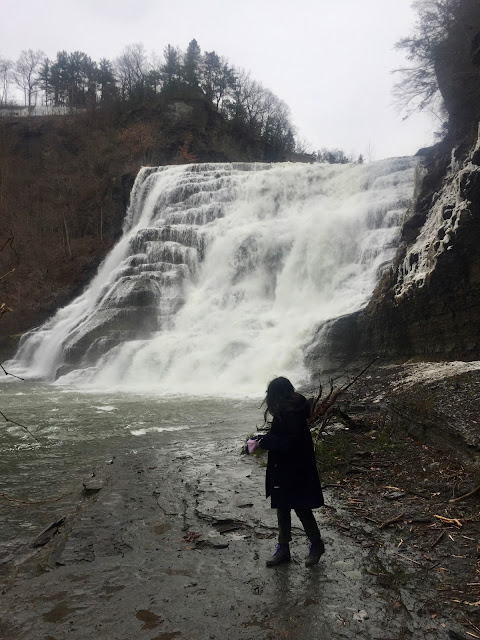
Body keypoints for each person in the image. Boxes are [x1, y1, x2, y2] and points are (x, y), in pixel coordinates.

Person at [250, 376, 325, 567]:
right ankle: (283, 549)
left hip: (294, 470)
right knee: (283, 508)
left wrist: (265, 442)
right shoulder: (290, 411)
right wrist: (263, 439)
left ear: (277, 395)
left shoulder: (291, 414)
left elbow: (290, 443)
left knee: (301, 507)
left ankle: (316, 544)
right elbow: (282, 436)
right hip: (286, 469)